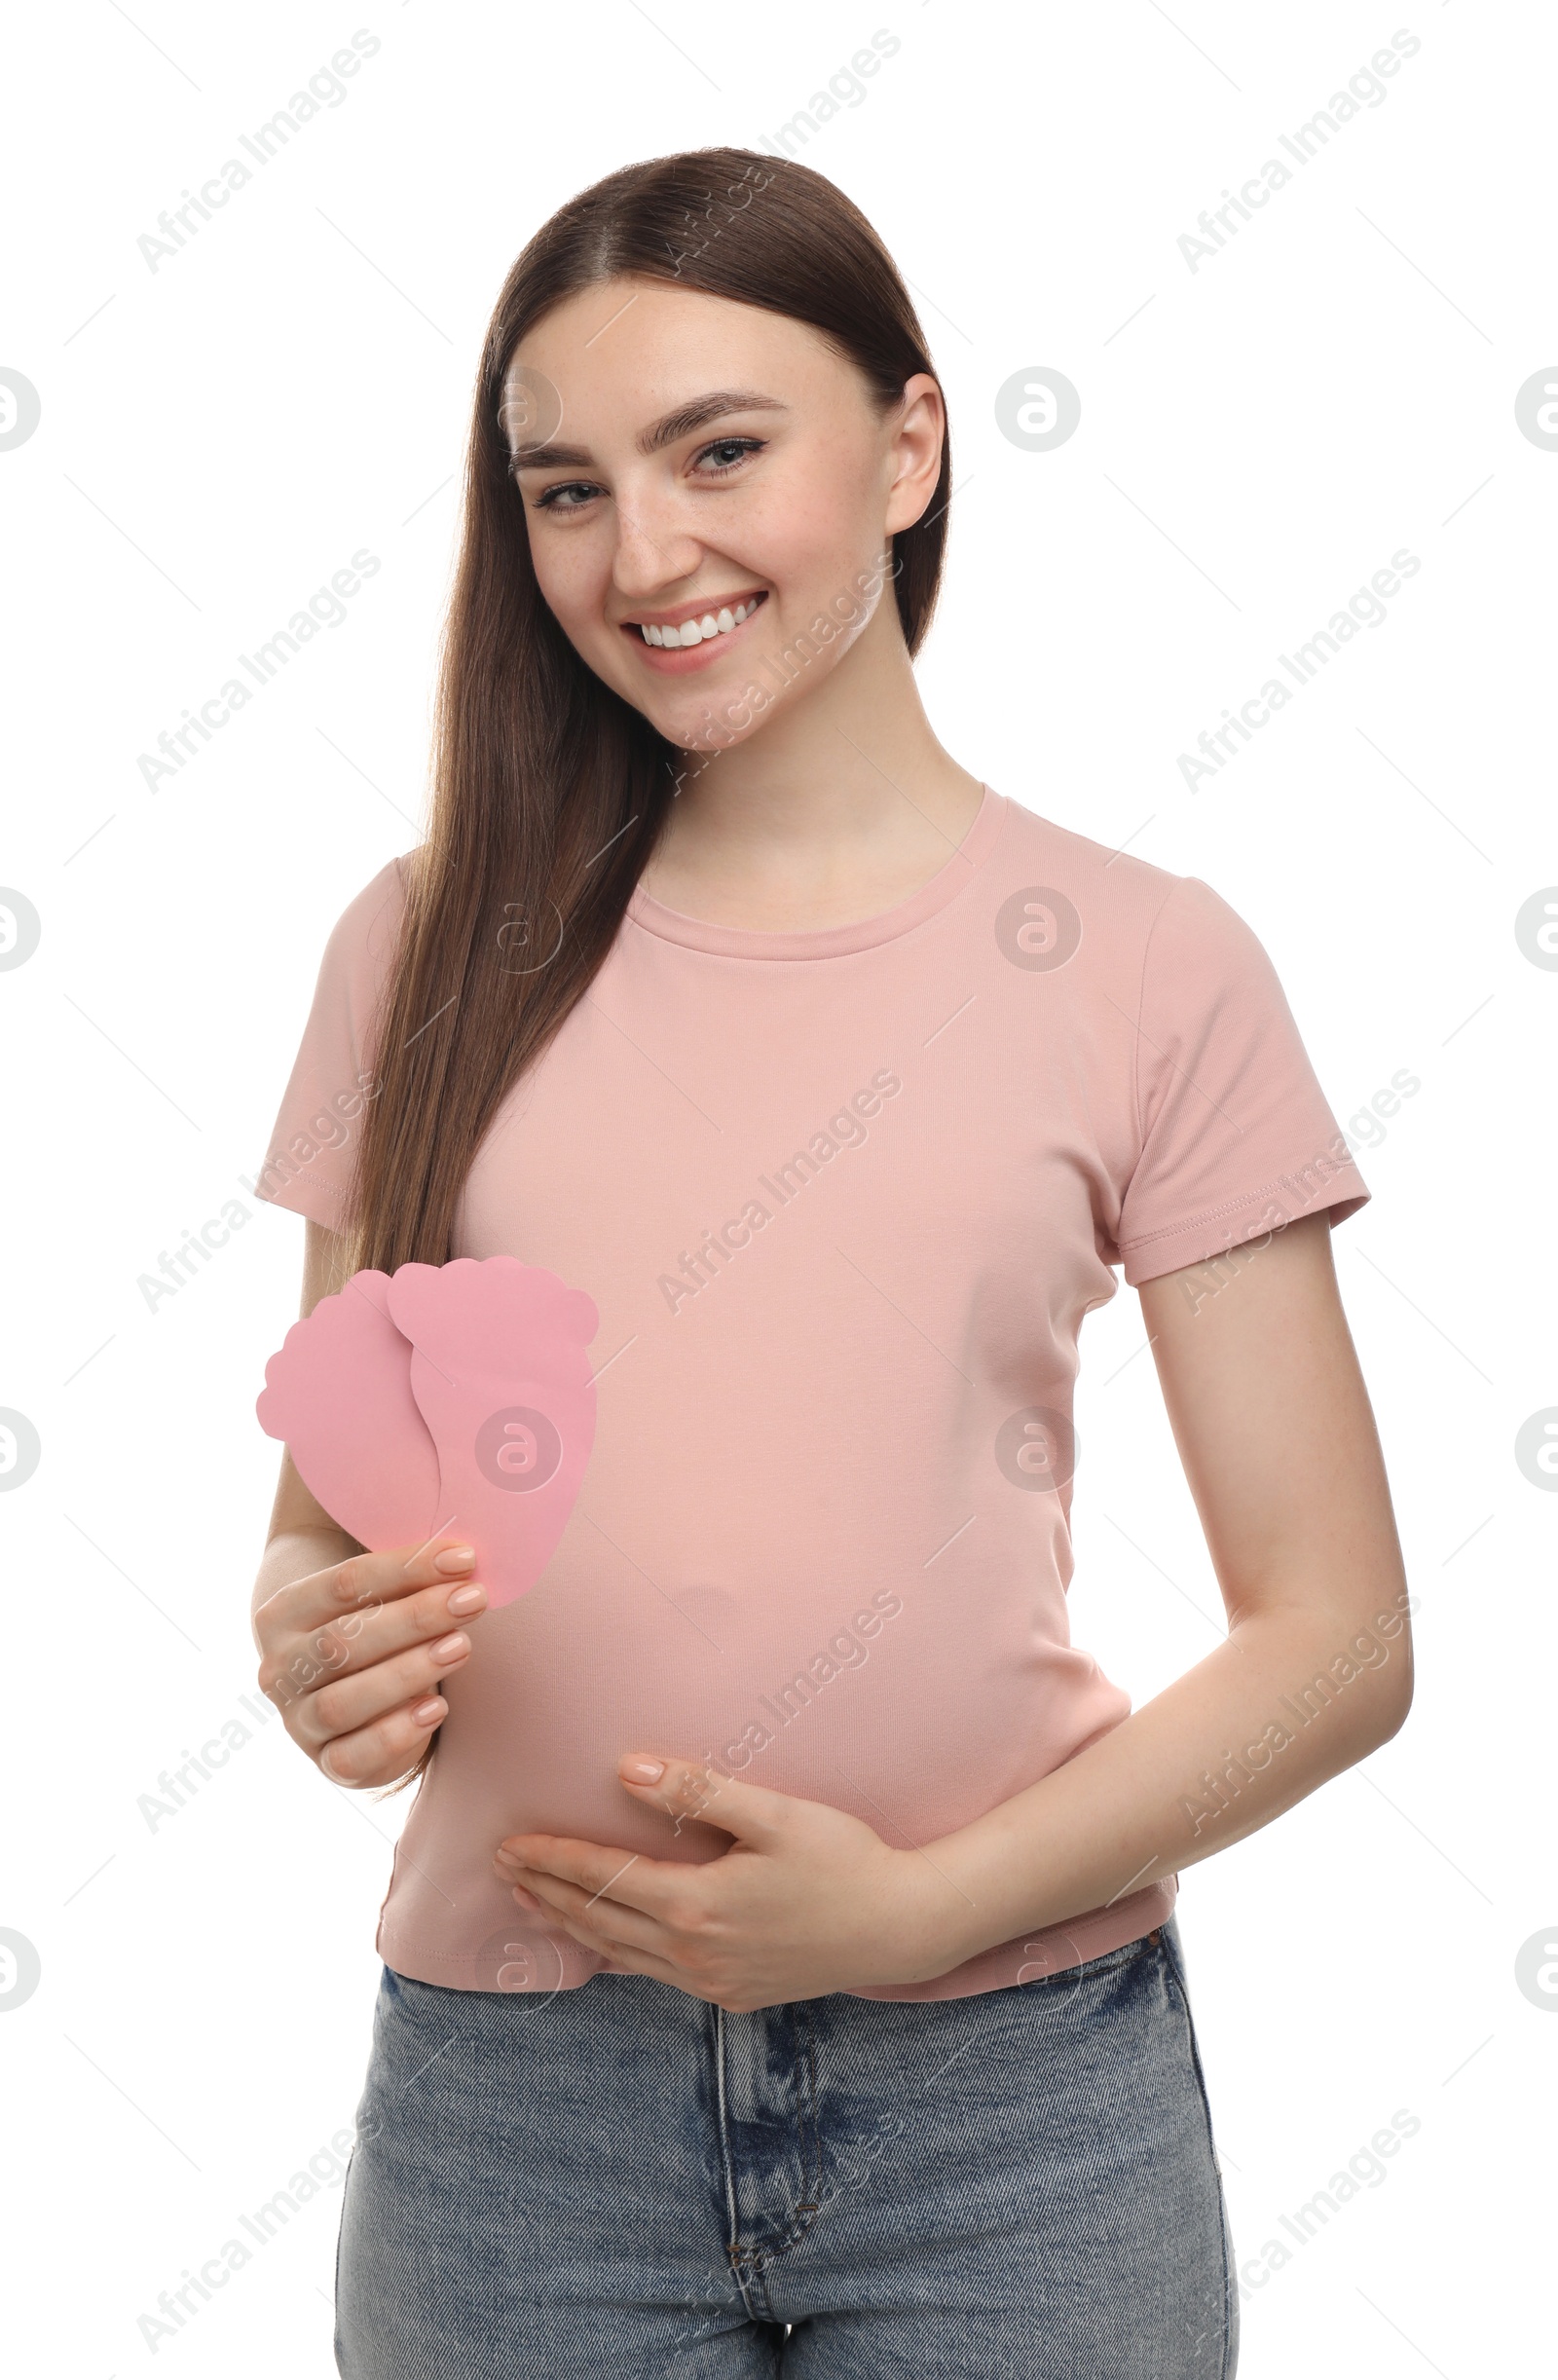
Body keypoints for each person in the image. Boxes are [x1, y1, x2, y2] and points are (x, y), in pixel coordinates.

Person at [249, 146, 1413, 2379]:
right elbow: (327, 1546)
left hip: (1015, 2107)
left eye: (718, 453)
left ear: (906, 445)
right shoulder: (419, 950)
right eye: (564, 487)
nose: (642, 552)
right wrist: (319, 1661)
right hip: (519, 2114)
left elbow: (1338, 1635)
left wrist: (904, 1914)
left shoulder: (1148, 968)